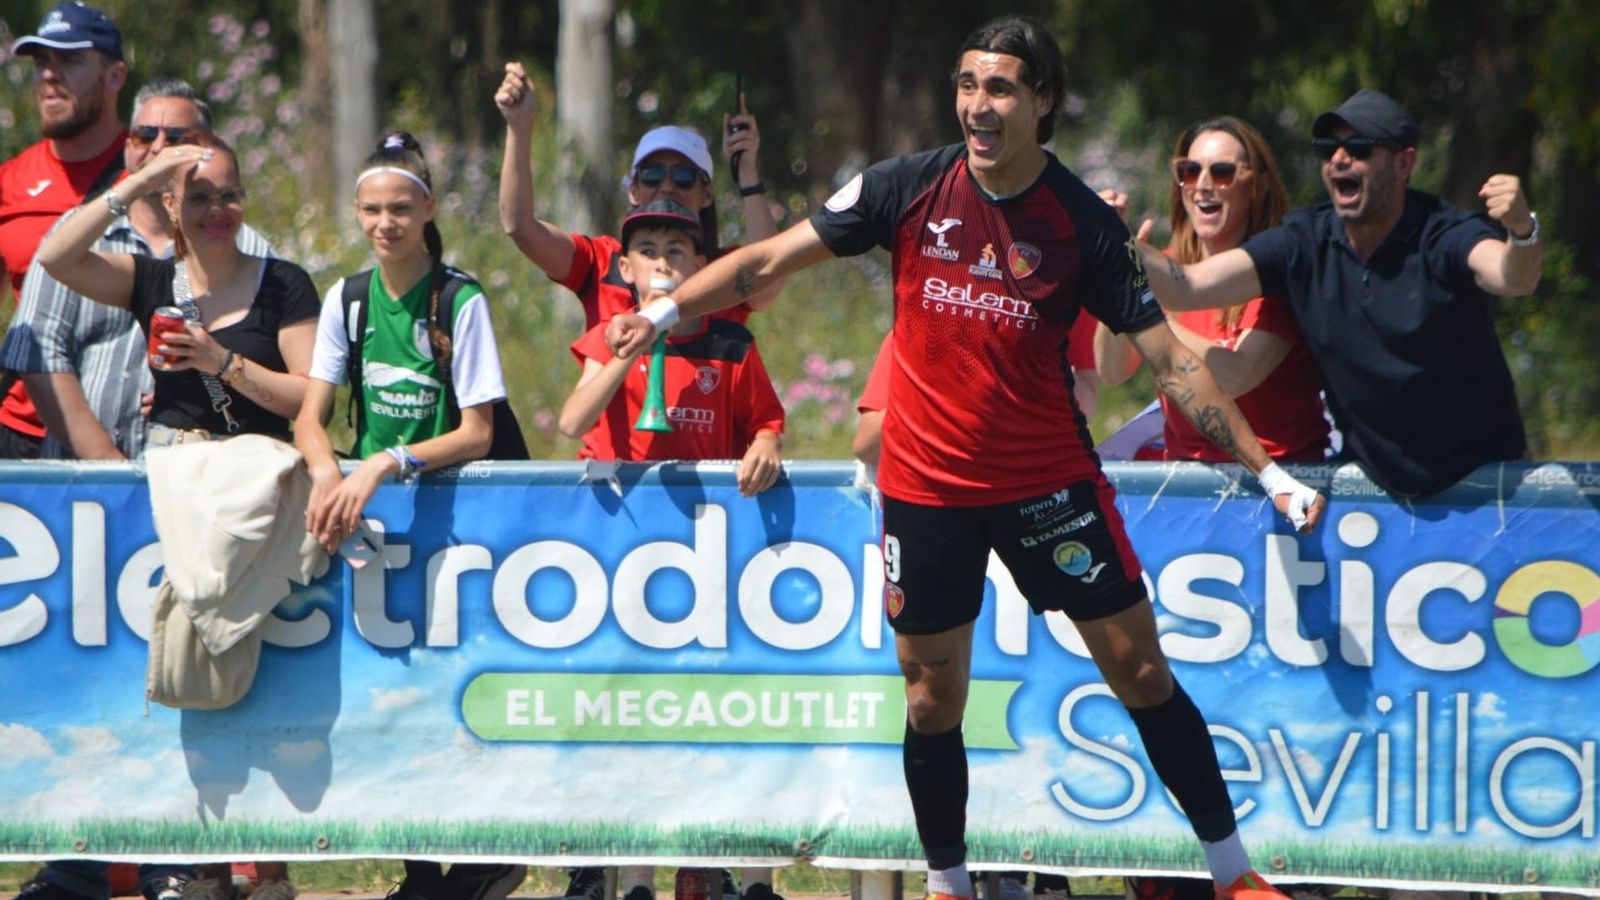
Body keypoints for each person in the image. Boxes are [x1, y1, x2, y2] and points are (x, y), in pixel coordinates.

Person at [606, 16, 1323, 900]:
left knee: (1140, 670)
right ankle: (948, 883)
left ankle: (1232, 875)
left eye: (1000, 89)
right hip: (927, 490)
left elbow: (1176, 360)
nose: (978, 106)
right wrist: (665, 315)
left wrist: (1271, 472)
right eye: (967, 85)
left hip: (1048, 484)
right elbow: (763, 260)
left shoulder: (1081, 226)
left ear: (1042, 102)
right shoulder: (905, 186)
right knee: (930, 698)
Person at [293, 131, 527, 900]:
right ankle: (419, 869)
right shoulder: (348, 299)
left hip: (448, 515)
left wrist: (386, 464)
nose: (385, 223)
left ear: (427, 210)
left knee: (458, 687)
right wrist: (331, 469)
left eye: (400, 208)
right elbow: (311, 414)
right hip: (374, 526)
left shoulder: (459, 300)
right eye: (371, 210)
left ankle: (487, 855)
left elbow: (479, 430)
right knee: (389, 698)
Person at [1136, 89, 1543, 497]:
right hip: (1376, 498)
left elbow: (1514, 278)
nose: (1340, 159)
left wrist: (1522, 231)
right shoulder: (1304, 241)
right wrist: (1106, 235)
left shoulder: (1443, 233)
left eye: (1360, 147)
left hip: (1487, 490)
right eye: (1328, 148)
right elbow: (1186, 286)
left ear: (1404, 163)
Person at [558, 201, 785, 900]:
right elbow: (572, 421)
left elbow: (766, 422)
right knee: (635, 716)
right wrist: (626, 350)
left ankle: (743, 875)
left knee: (724, 713)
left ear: (703, 269)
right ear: (623, 269)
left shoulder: (731, 343)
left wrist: (766, 444)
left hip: (711, 560)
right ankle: (634, 877)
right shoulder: (605, 337)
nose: (662, 260)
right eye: (647, 249)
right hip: (628, 560)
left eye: (679, 250)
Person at [0, 77, 275, 460]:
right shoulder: (78, 234)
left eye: (177, 138)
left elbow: (275, 368)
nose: (159, 148)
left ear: (209, 149)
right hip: (81, 476)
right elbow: (36, 351)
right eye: (144, 136)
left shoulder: (249, 249)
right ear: (128, 147)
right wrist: (108, 466)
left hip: (196, 473)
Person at [35, 130, 316, 448]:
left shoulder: (284, 282)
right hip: (173, 467)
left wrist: (220, 361)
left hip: (256, 471)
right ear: (170, 204)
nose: (216, 210)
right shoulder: (152, 279)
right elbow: (55, 257)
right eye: (199, 197)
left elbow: (313, 401)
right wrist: (139, 182)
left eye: (229, 196)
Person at [1094, 116, 1329, 463]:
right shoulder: (1162, 269)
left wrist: (1143, 303)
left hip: (1281, 487)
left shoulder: (1281, 272)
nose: (1202, 185)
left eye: (1222, 172)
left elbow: (1234, 378)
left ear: (1259, 184)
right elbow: (1111, 372)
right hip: (1189, 492)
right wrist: (1117, 274)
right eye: (1189, 171)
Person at [495, 60, 783, 329]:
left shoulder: (722, 269)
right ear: (633, 190)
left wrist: (747, 173)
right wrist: (519, 127)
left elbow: (768, 284)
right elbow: (520, 227)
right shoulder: (601, 263)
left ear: (707, 194)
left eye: (683, 176)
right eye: (653, 175)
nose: (667, 187)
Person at [0, 0, 128, 459]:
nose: (50, 75)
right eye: (41, 62)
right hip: (22, 434)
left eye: (70, 60)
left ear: (115, 76)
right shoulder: (10, 180)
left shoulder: (147, 176)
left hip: (123, 427)